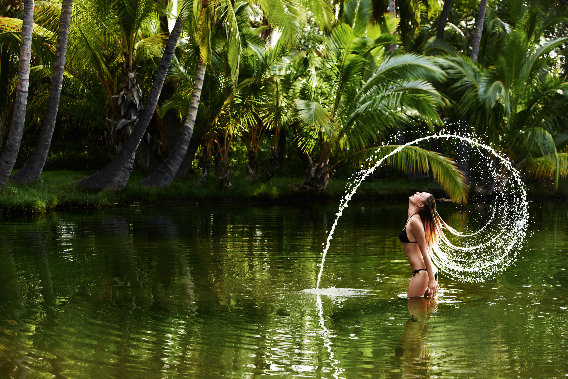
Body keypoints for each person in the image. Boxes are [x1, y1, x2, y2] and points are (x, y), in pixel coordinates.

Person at [399, 192, 441, 298]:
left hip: (422, 273)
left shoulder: (414, 221)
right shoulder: (414, 219)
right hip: (425, 272)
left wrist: (431, 280)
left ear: (421, 205)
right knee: (423, 312)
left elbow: (424, 251)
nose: (417, 193)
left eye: (421, 195)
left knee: (415, 311)